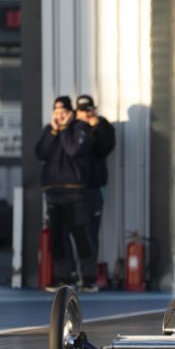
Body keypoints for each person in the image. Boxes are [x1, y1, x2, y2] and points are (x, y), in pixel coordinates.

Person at [35, 96, 97, 292]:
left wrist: (63, 129)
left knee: (80, 235)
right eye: (56, 112)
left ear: (70, 112)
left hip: (74, 192)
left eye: (63, 112)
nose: (59, 116)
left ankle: (88, 278)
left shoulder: (80, 128)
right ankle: (63, 277)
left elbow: (72, 150)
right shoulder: (49, 130)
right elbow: (40, 153)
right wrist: (53, 131)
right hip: (53, 192)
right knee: (57, 238)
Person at [75, 94, 115, 284]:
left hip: (93, 186)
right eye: (82, 110)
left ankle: (88, 275)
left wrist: (95, 126)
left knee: (91, 232)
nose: (86, 113)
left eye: (89, 110)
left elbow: (105, 148)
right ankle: (71, 272)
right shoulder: (71, 127)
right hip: (72, 187)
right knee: (72, 231)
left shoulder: (102, 126)